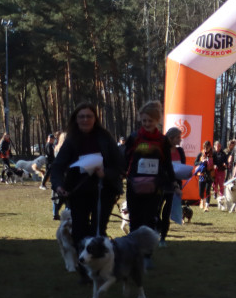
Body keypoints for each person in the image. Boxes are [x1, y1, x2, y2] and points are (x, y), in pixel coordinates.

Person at [49, 102, 126, 275]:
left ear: (95, 118)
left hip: (104, 191)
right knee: (79, 230)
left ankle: (100, 267)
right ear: (76, 120)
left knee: (98, 230)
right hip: (78, 192)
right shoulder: (71, 140)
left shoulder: (105, 138)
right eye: (81, 116)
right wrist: (58, 185)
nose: (85, 120)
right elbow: (58, 166)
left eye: (89, 116)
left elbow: (120, 166)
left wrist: (105, 173)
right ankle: (84, 270)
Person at [122, 101, 172, 234]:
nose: (147, 124)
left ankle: (147, 247)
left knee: (149, 220)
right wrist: (119, 176)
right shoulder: (134, 138)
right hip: (134, 186)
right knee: (135, 220)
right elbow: (125, 159)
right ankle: (134, 245)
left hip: (154, 188)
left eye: (150, 121)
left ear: (157, 121)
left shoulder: (163, 140)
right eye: (144, 121)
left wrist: (172, 182)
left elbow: (167, 163)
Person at [158, 126, 186, 246]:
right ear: (171, 138)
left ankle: (163, 237)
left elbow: (183, 166)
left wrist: (186, 173)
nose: (180, 140)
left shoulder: (180, 151)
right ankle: (158, 228)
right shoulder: (162, 150)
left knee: (167, 212)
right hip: (160, 184)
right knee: (156, 210)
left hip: (174, 186)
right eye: (178, 137)